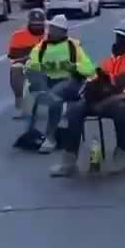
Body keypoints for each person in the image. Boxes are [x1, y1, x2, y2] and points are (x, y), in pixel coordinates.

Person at [50, 22, 125, 177]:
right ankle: (69, 161)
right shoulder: (111, 59)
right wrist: (91, 87)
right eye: (117, 36)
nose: (118, 40)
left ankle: (121, 154)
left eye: (122, 37)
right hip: (103, 97)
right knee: (74, 110)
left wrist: (103, 83)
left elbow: (123, 80)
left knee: (120, 112)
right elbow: (97, 77)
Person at [25, 14, 96, 153]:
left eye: (54, 28)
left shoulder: (72, 46)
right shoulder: (42, 46)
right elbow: (30, 65)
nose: (50, 30)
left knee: (55, 95)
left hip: (71, 82)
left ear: (63, 31)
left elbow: (89, 69)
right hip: (48, 81)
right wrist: (41, 68)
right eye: (50, 27)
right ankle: (33, 133)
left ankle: (50, 137)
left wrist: (74, 67)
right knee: (32, 91)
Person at [7, 9, 46, 119]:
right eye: (34, 24)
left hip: (47, 66)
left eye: (39, 25)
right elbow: (13, 57)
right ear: (28, 23)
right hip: (25, 64)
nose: (37, 27)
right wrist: (29, 57)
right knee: (15, 68)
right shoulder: (18, 36)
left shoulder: (51, 35)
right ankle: (20, 103)